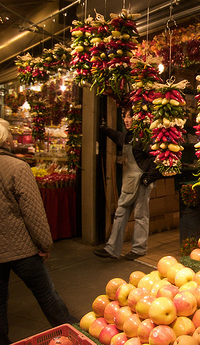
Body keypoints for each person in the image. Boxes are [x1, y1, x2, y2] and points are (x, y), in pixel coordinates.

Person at [0, 118, 76, 345]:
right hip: (21, 248)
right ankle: (70, 333)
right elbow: (33, 213)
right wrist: (45, 245)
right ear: (6, 140)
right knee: (46, 294)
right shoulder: (17, 167)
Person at [94, 105, 161, 260]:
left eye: (129, 116)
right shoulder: (127, 136)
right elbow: (116, 135)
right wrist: (105, 128)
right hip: (129, 183)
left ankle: (138, 249)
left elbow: (156, 159)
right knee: (120, 213)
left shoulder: (145, 137)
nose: (126, 120)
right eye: (124, 116)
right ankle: (112, 249)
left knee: (141, 216)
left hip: (141, 182)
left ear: (138, 118)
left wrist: (148, 177)